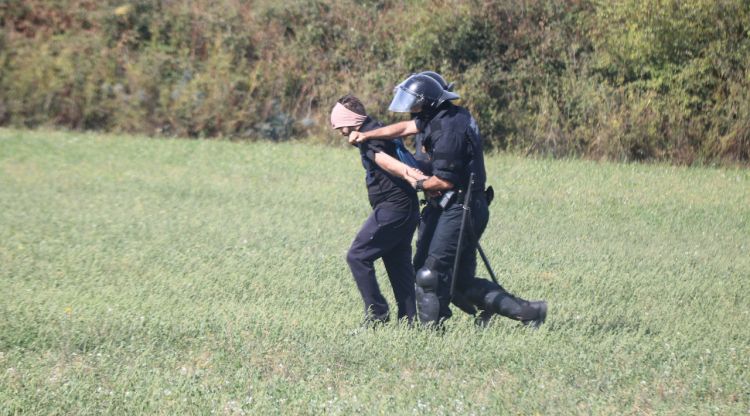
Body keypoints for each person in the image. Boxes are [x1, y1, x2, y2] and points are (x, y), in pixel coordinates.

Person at [349, 74, 547, 328]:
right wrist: (369, 135)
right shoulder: (441, 116)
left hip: (461, 206)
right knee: (456, 281)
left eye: (415, 104)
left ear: (429, 102)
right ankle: (530, 312)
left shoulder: (449, 130)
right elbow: (406, 127)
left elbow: (443, 182)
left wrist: (414, 181)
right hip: (451, 206)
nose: (411, 110)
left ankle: (431, 333)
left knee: (430, 274)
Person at [331, 94, 422, 325]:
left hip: (394, 207)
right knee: (398, 263)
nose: (340, 131)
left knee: (357, 256)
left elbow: (382, 160)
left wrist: (410, 175)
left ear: (351, 120)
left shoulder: (369, 139)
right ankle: (410, 321)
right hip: (406, 208)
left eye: (341, 125)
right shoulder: (377, 129)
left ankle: (377, 315)